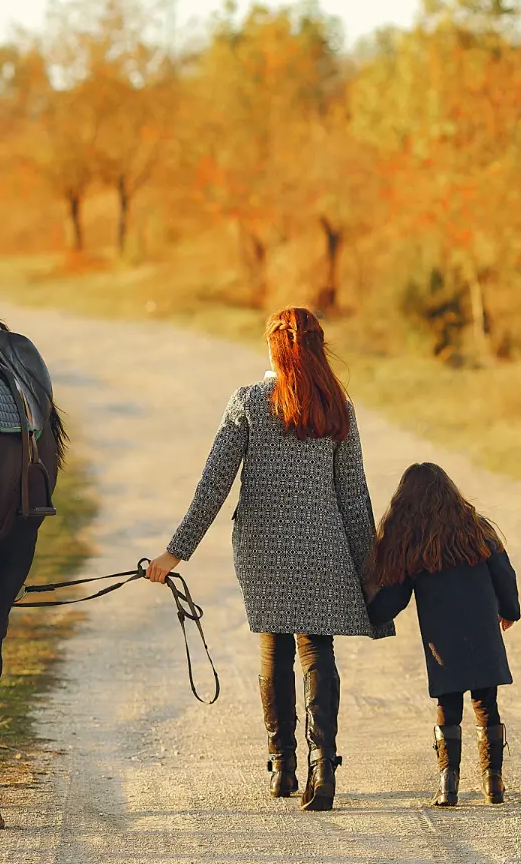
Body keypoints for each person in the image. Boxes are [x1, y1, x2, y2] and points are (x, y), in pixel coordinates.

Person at [146, 306, 391, 812]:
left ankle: (282, 767)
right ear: (319, 346)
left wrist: (175, 553)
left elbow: (214, 483)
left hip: (262, 549)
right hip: (323, 544)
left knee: (274, 647)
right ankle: (323, 766)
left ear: (273, 348)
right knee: (316, 650)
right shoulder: (337, 407)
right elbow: (354, 495)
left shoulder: (249, 402)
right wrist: (372, 571)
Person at [365, 462, 520, 806]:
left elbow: (395, 597)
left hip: (442, 640)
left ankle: (448, 786)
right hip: (482, 631)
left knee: (448, 707)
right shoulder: (478, 530)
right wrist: (510, 611)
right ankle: (492, 782)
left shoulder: (412, 544)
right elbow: (504, 575)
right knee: (486, 703)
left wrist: (368, 615)